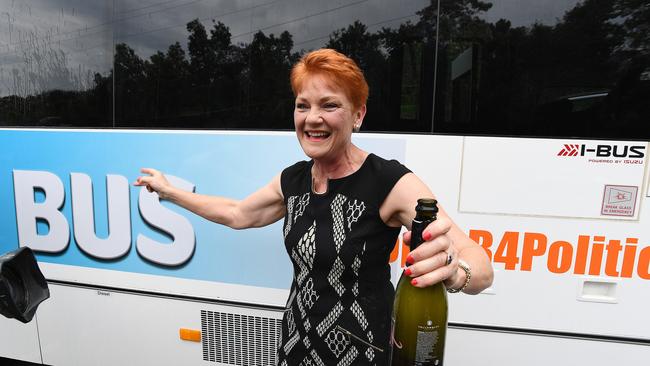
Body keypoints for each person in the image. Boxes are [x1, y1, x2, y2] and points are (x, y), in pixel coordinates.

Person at [135, 48, 493, 365]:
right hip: (296, 349)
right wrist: (170, 192)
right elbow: (237, 213)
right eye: (302, 105)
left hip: (364, 354)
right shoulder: (293, 180)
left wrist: (455, 271)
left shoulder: (389, 181)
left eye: (330, 105)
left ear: (358, 115)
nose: (312, 118)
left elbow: (481, 268)